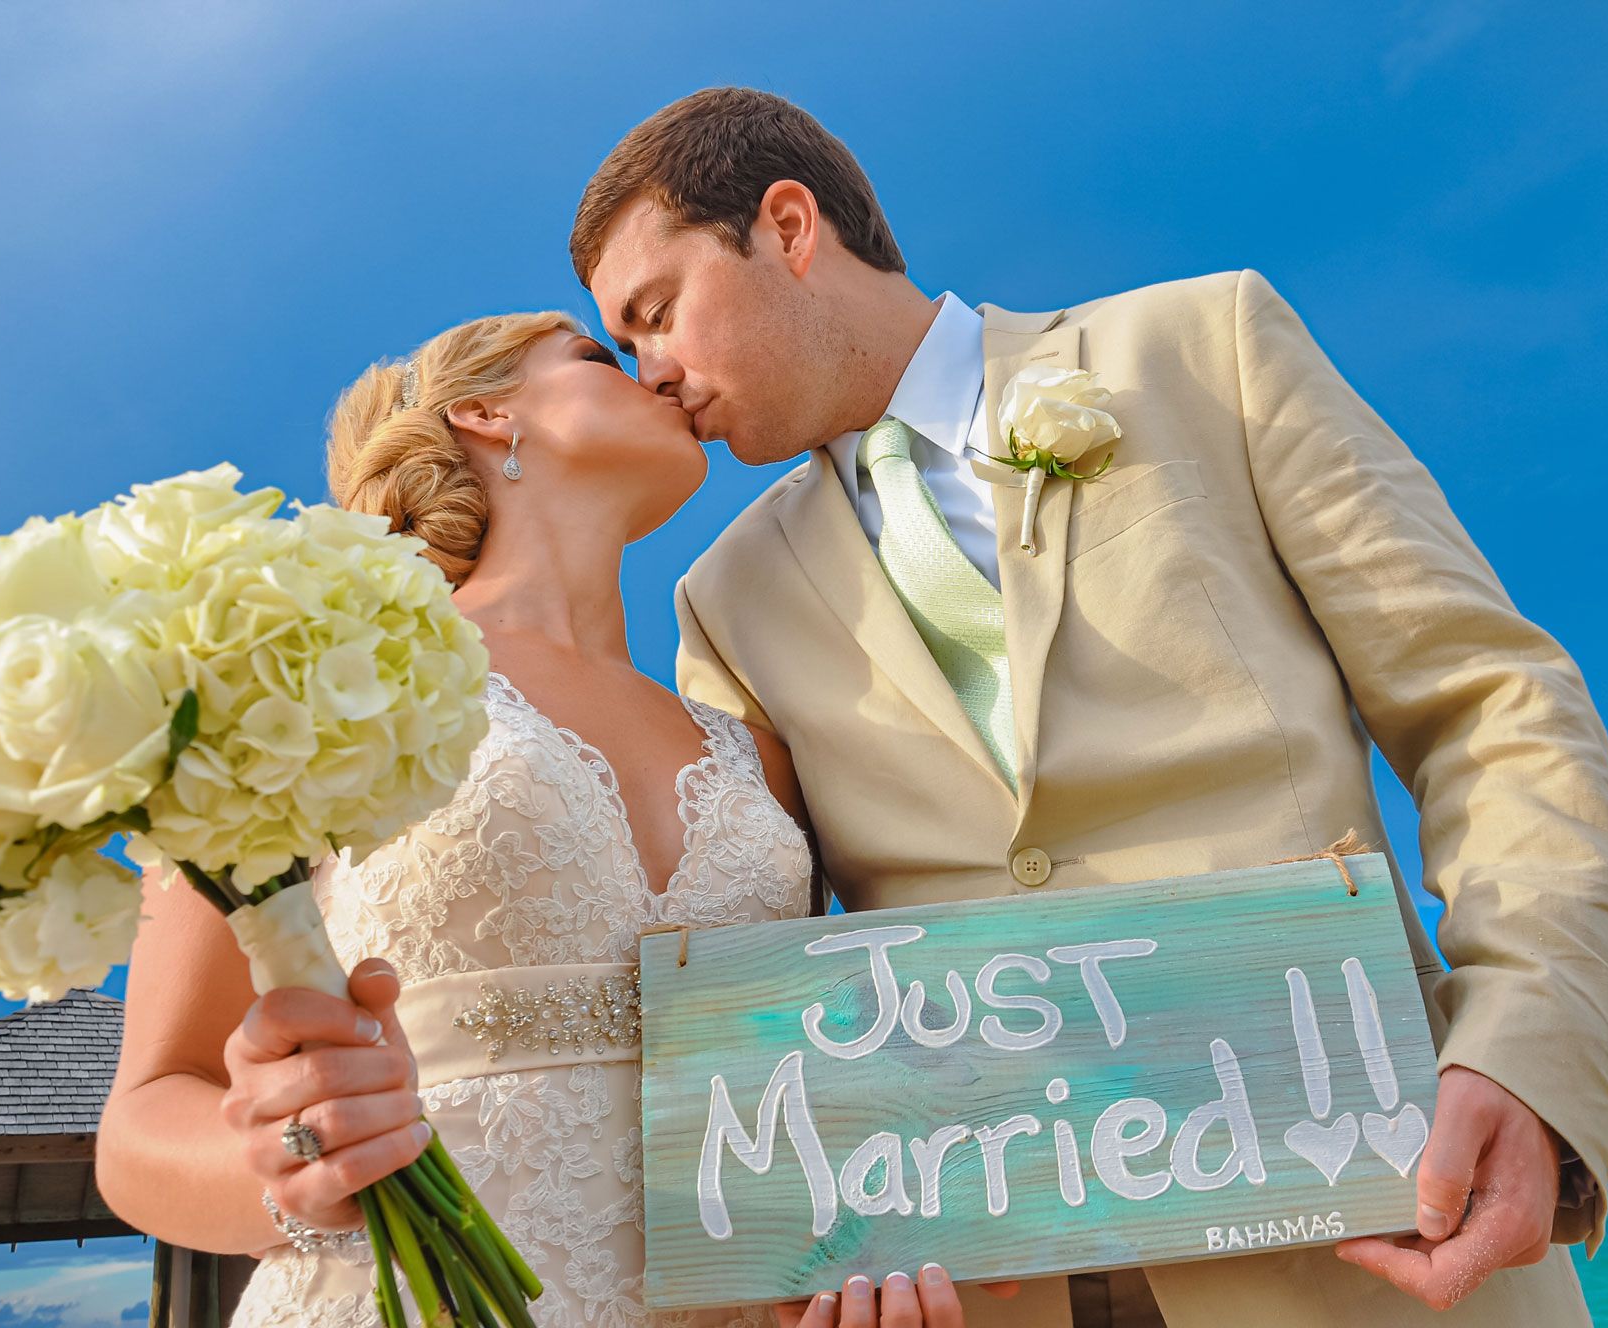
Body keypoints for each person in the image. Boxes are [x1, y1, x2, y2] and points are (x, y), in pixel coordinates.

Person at [569, 88, 1608, 1328]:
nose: (650, 372)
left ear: (789, 226)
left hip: (1370, 1226)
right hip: (987, 1287)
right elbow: (758, 957)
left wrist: (1517, 1037)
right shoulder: (722, 596)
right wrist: (803, 1258)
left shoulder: (1202, 344)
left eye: (655, 314)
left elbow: (1489, 703)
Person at [97, 312, 986, 1328]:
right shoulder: (303, 677)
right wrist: (286, 1161)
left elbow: (794, 1108)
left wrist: (840, 1279)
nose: (659, 368)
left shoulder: (758, 749)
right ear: (486, 412)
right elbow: (142, 1117)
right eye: (598, 355)